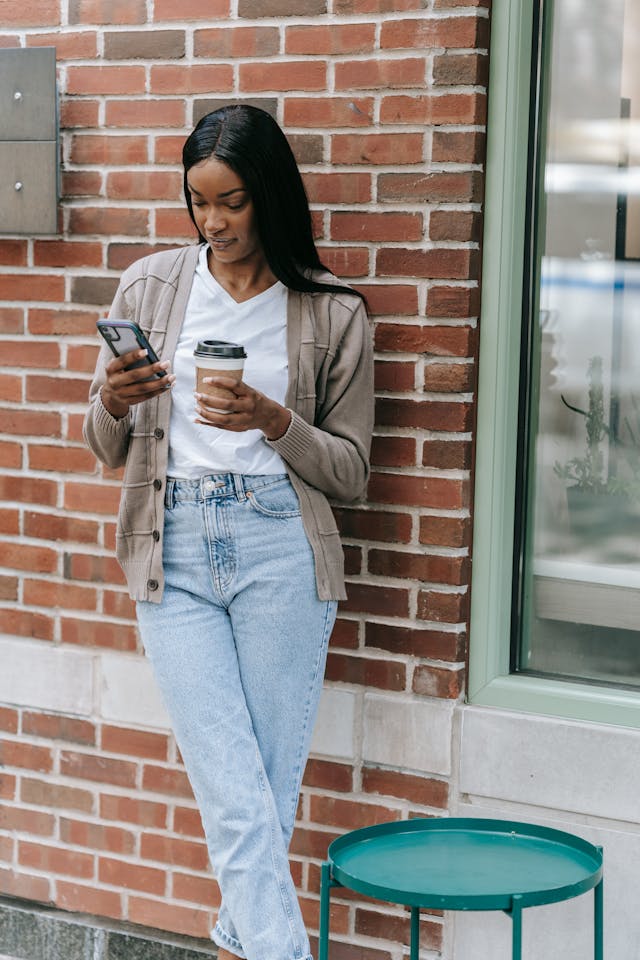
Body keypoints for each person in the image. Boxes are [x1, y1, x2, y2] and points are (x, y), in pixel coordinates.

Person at [83, 104, 374, 960]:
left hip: (280, 545)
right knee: (235, 795)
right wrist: (114, 399)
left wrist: (271, 417)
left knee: (262, 798)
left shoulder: (332, 313)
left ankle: (236, 944)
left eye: (235, 202)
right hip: (171, 548)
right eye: (199, 201)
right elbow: (102, 445)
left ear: (272, 197)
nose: (214, 223)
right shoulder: (150, 286)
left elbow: (353, 472)